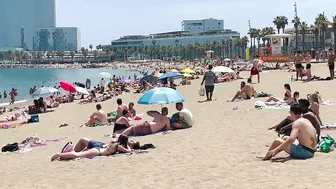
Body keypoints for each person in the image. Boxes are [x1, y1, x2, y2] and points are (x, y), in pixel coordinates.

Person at [51, 140, 131, 161]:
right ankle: (59, 154)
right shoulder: (118, 146)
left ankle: (62, 156)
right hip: (98, 152)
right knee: (77, 155)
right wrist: (127, 145)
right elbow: (129, 151)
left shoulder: (114, 142)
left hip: (99, 150)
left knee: (78, 154)